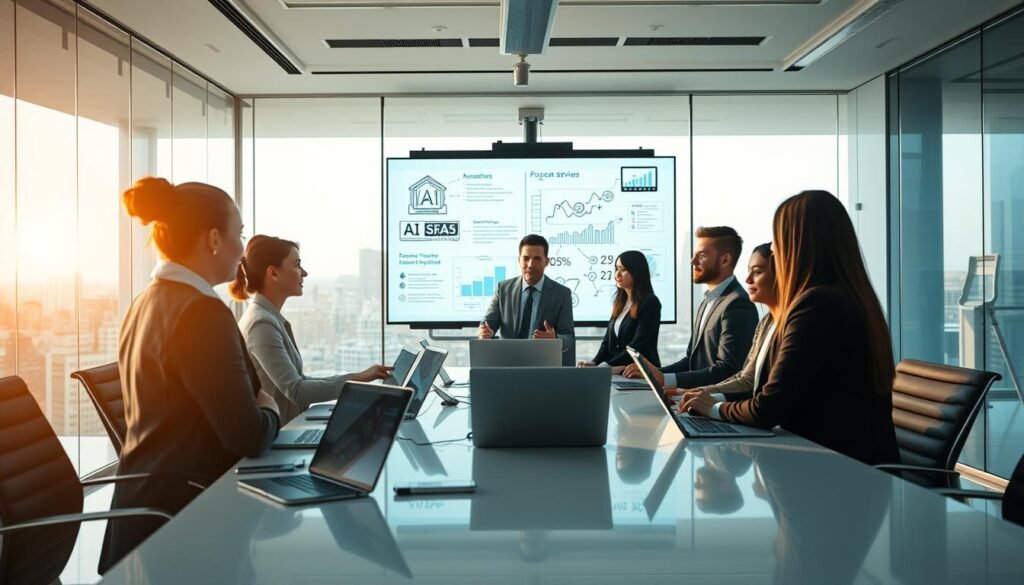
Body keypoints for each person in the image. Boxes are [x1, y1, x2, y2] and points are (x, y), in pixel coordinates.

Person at [100, 178, 281, 572]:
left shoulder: (145, 301)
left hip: (143, 510)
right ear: (214, 238)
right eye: (240, 234)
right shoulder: (201, 313)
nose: (241, 249)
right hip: (186, 517)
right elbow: (247, 434)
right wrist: (272, 410)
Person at [680, 190, 900, 466]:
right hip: (840, 465)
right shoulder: (845, 296)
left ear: (797, 248)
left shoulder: (817, 305)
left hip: (838, 473)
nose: (773, 252)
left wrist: (712, 409)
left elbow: (767, 408)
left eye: (778, 246)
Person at [231, 235, 391, 422]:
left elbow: (301, 380)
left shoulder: (267, 317)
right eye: (297, 265)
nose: (304, 273)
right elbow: (297, 391)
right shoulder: (261, 324)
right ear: (273, 273)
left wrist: (361, 377)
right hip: (278, 439)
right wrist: (357, 379)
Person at [624, 226, 758, 389]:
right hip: (694, 398)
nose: (692, 261)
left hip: (713, 406)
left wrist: (665, 379)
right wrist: (653, 374)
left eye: (701, 255)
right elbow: (691, 361)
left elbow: (728, 370)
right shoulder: (708, 301)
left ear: (725, 260)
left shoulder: (737, 304)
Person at [666, 242, 777, 407]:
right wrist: (701, 393)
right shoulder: (766, 322)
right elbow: (747, 379)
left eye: (757, 272)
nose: (747, 279)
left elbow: (766, 400)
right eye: (748, 271)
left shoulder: (738, 303)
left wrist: (713, 407)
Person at [478, 234, 576, 366]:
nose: (530, 264)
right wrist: (485, 332)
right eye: (526, 258)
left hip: (543, 366)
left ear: (546, 262)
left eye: (537, 259)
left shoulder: (562, 294)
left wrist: (555, 339)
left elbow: (569, 337)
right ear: (519, 260)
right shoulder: (503, 289)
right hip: (507, 364)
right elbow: (488, 322)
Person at [578, 250, 661, 369]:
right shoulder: (621, 302)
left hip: (640, 373)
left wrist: (607, 365)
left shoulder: (650, 303)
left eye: (623, 270)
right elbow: (607, 342)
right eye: (616, 269)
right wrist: (595, 362)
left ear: (637, 272)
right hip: (618, 372)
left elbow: (638, 345)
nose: (617, 274)